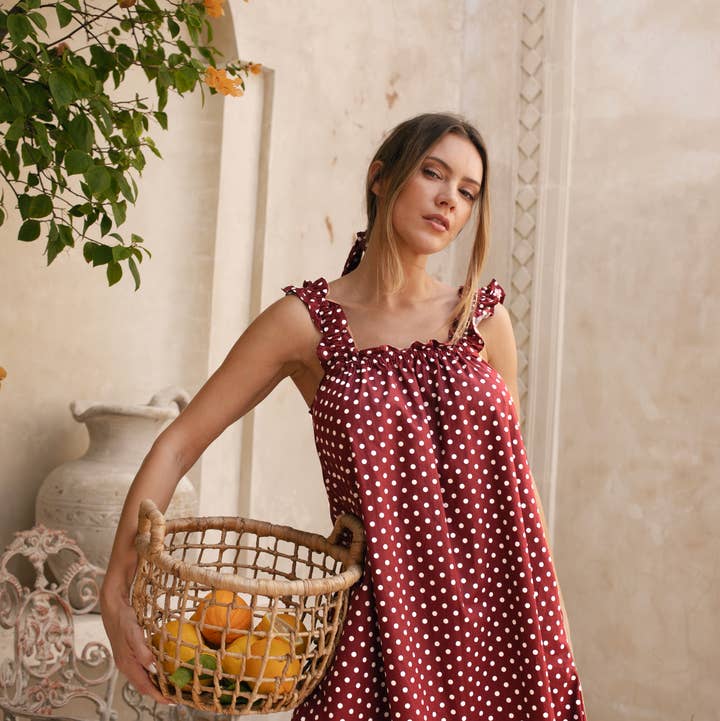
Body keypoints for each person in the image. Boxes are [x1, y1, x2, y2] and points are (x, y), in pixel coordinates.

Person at [100, 112, 587, 720]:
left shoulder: (483, 320)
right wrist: (115, 591)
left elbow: (515, 486)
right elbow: (177, 445)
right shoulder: (306, 323)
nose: (449, 200)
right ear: (381, 178)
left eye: (468, 192)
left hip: (504, 621)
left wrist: (555, 625)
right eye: (433, 173)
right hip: (384, 631)